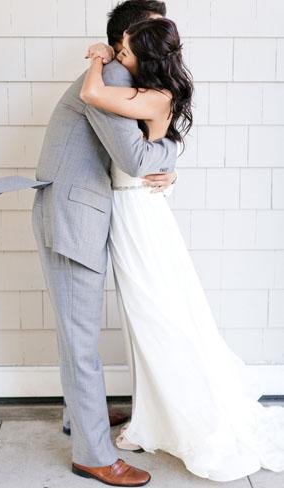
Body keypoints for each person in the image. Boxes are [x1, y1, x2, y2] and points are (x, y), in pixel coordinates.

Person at [80, 17, 284, 481]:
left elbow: (91, 94)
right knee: (148, 317)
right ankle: (149, 415)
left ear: (145, 58)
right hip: (136, 210)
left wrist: (96, 56)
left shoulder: (153, 95)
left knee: (157, 318)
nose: (119, 54)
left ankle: (174, 419)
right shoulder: (151, 92)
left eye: (125, 50)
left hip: (138, 215)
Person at [0, 1, 178, 486]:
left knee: (79, 334)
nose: (165, 41)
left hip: (77, 212)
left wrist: (165, 153)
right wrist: (168, 151)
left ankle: (80, 416)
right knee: (81, 341)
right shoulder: (111, 78)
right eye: (154, 30)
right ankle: (93, 454)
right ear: (125, 39)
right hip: (73, 218)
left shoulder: (115, 76)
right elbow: (134, 159)